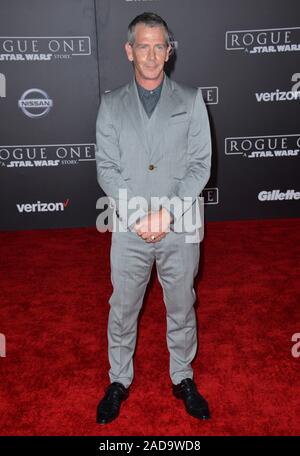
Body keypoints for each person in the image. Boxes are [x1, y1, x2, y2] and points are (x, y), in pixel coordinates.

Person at [95, 12, 212, 424]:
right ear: (129, 50)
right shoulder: (110, 104)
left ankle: (182, 376)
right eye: (142, 45)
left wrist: (167, 213)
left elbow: (200, 165)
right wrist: (136, 215)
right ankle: (118, 380)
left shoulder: (192, 99)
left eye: (158, 45)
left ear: (169, 50)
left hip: (180, 225)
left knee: (181, 305)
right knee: (122, 308)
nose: (151, 54)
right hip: (127, 226)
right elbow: (106, 168)